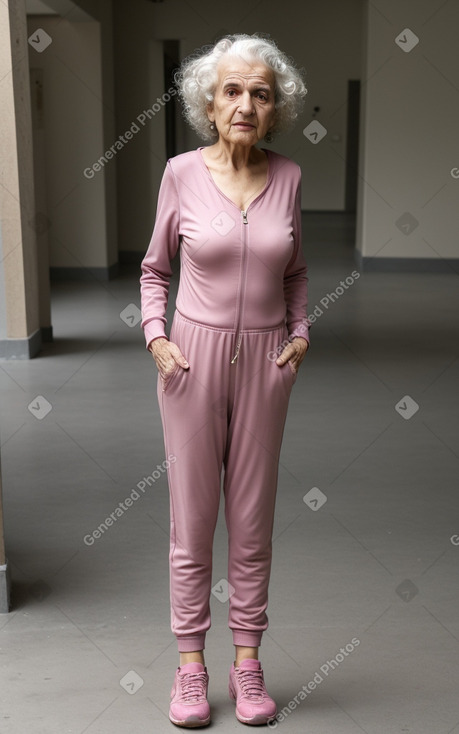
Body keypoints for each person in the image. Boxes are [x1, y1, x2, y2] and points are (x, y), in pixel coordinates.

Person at [140, 33, 310, 728]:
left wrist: (300, 332)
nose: (245, 104)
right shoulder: (180, 173)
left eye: (260, 94)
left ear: (274, 110)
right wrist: (157, 339)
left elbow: (295, 272)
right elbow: (154, 270)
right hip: (190, 361)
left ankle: (246, 661)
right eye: (232, 91)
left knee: (251, 520)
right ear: (209, 102)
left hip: (267, 364)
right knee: (192, 520)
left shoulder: (290, 178)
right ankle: (188, 667)